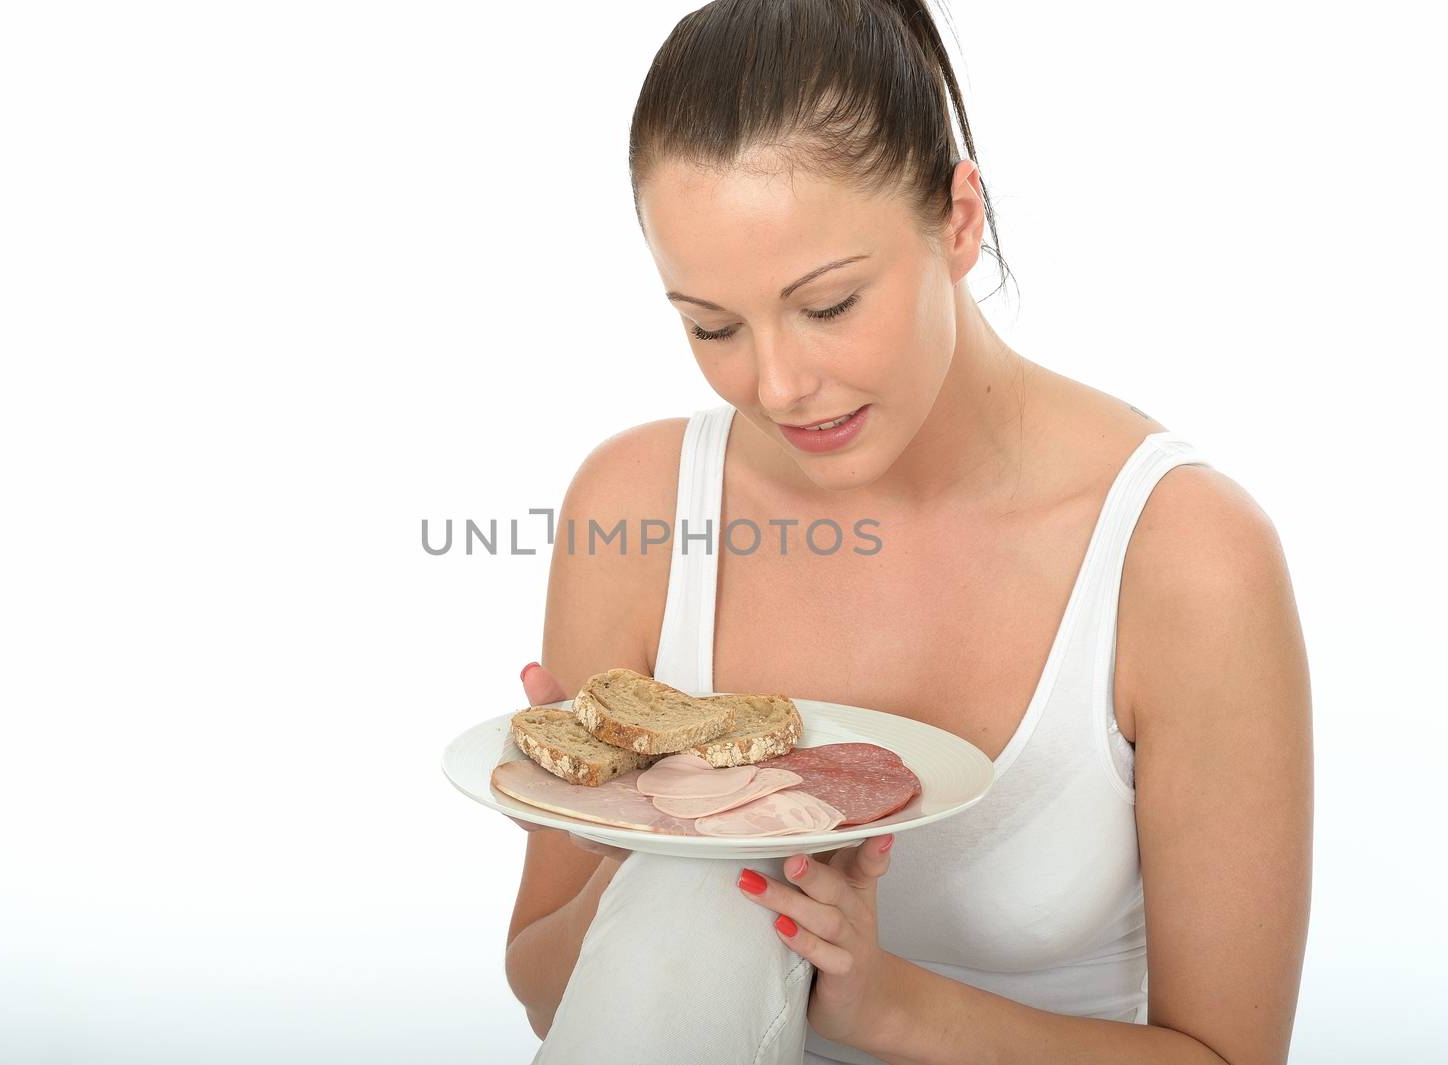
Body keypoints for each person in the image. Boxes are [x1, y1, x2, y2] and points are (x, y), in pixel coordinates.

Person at [502, 1, 1313, 1062]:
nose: (780, 385)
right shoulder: (637, 507)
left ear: (959, 219)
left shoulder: (1182, 557)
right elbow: (542, 987)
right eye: (711, 326)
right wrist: (633, 844)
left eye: (829, 304)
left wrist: (885, 1006)